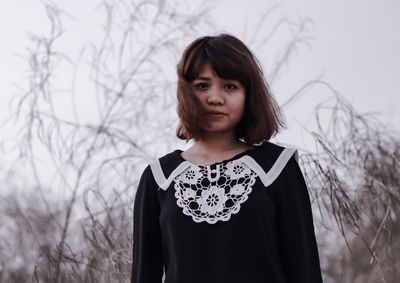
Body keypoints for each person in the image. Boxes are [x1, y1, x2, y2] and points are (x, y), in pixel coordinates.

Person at [131, 34, 323, 283]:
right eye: (202, 86)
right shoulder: (159, 177)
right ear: (185, 93)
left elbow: (304, 272)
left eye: (230, 86)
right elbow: (143, 275)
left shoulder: (277, 167)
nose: (215, 97)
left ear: (248, 95)